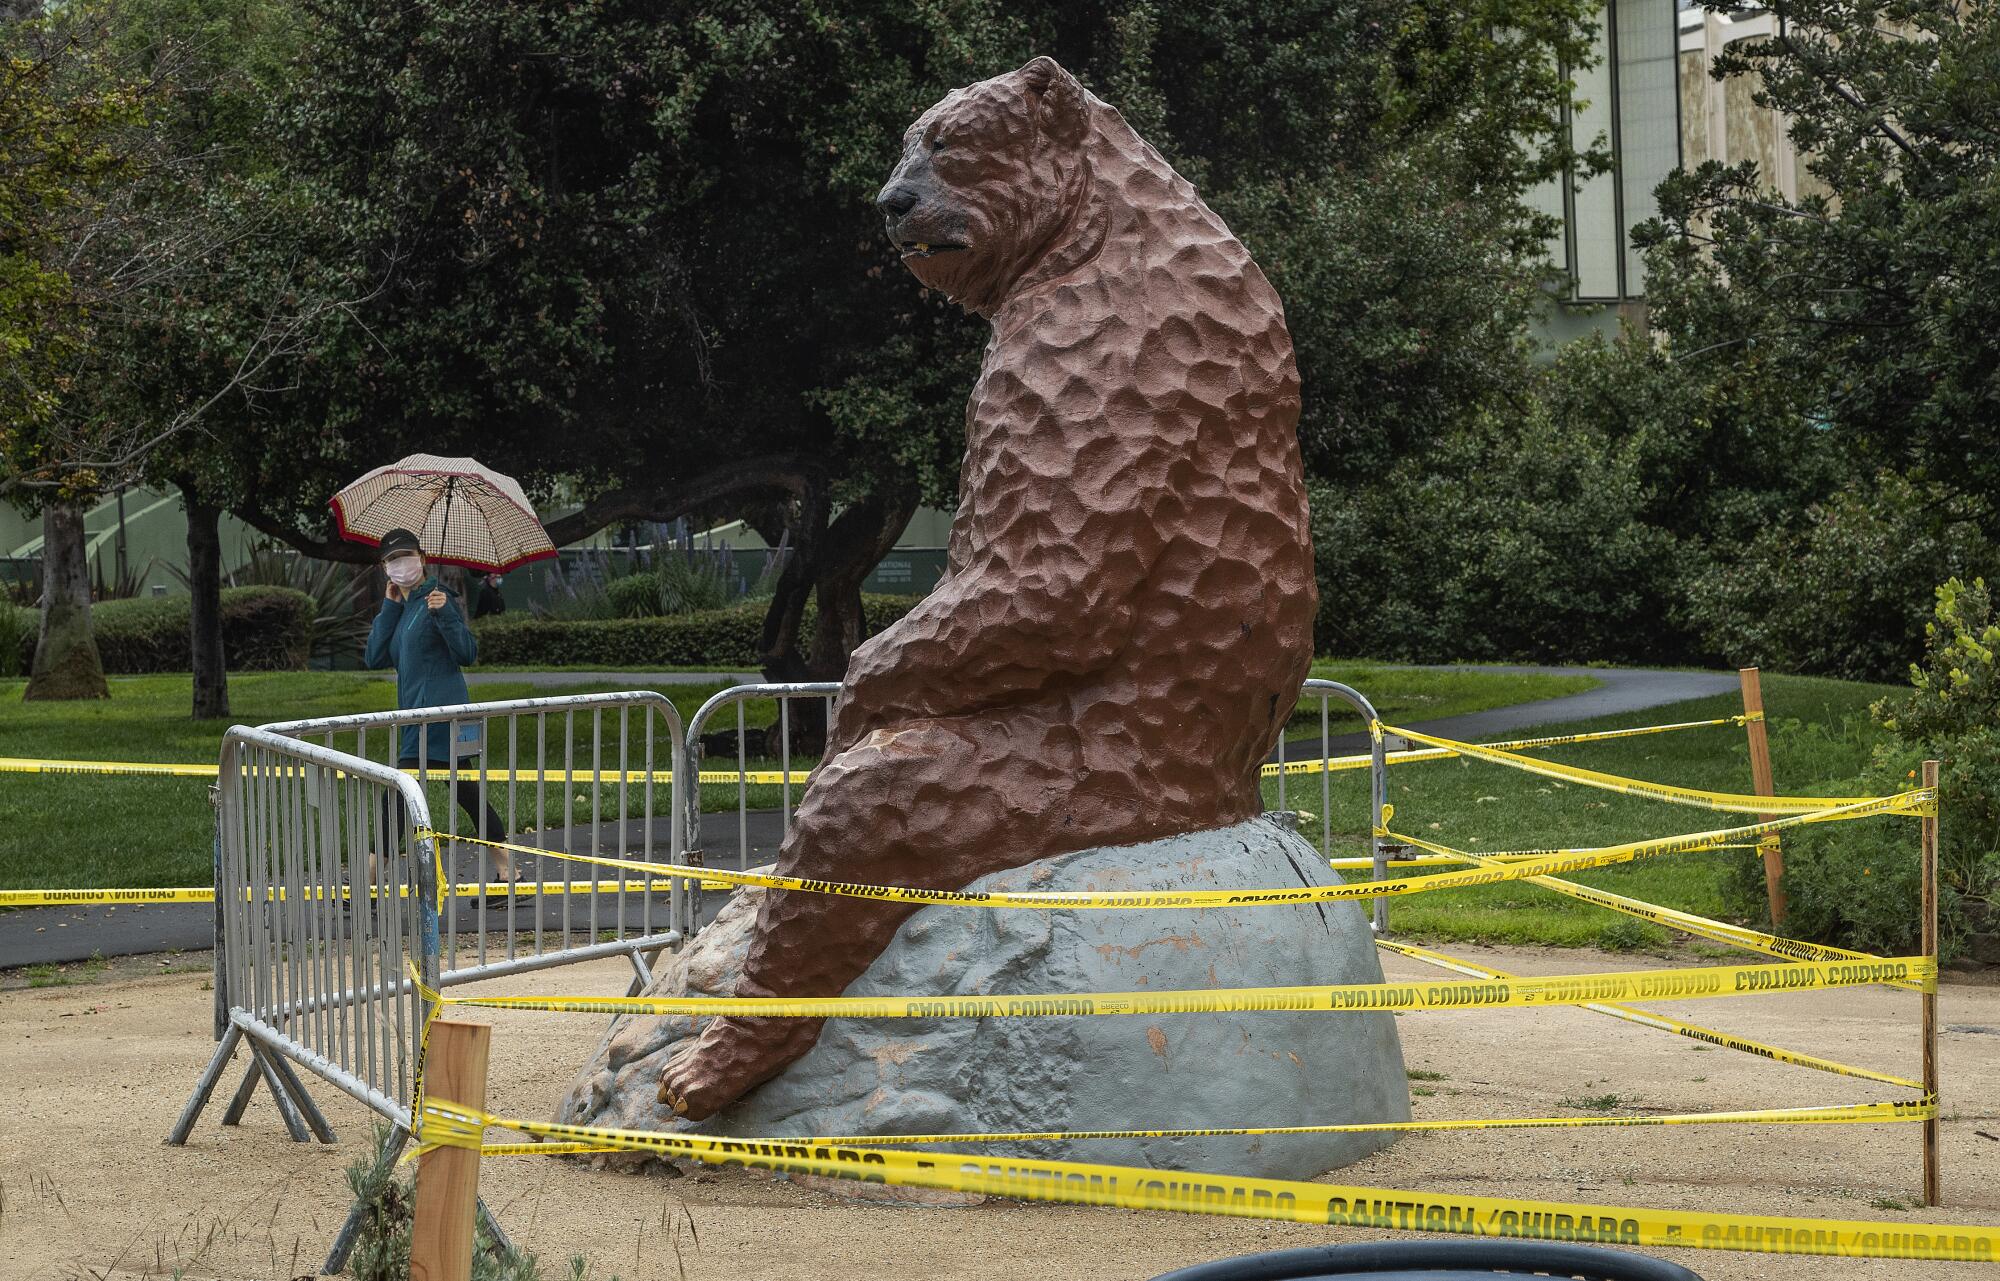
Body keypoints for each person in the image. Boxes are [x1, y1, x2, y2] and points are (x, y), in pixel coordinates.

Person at [363, 528, 517, 893]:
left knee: (399, 799)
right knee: (465, 794)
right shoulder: (402, 608)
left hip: (439, 719)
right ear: (385, 567)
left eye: (406, 556)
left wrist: (446, 614)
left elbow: (467, 653)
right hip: (417, 719)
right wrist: (389, 606)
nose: (401, 565)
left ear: (422, 557)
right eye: (392, 560)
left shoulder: (438, 598)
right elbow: (373, 657)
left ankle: (367, 886)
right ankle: (509, 875)